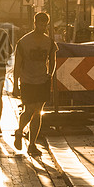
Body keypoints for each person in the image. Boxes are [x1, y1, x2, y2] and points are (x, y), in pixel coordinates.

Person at [11, 11, 57, 158]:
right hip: (27, 81)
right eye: (40, 23)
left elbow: (53, 59)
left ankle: (32, 144)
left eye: (45, 24)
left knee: (38, 111)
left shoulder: (49, 42)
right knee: (29, 109)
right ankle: (19, 131)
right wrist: (15, 85)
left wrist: (50, 74)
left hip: (42, 80)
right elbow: (17, 65)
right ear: (35, 23)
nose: (42, 26)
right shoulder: (23, 42)